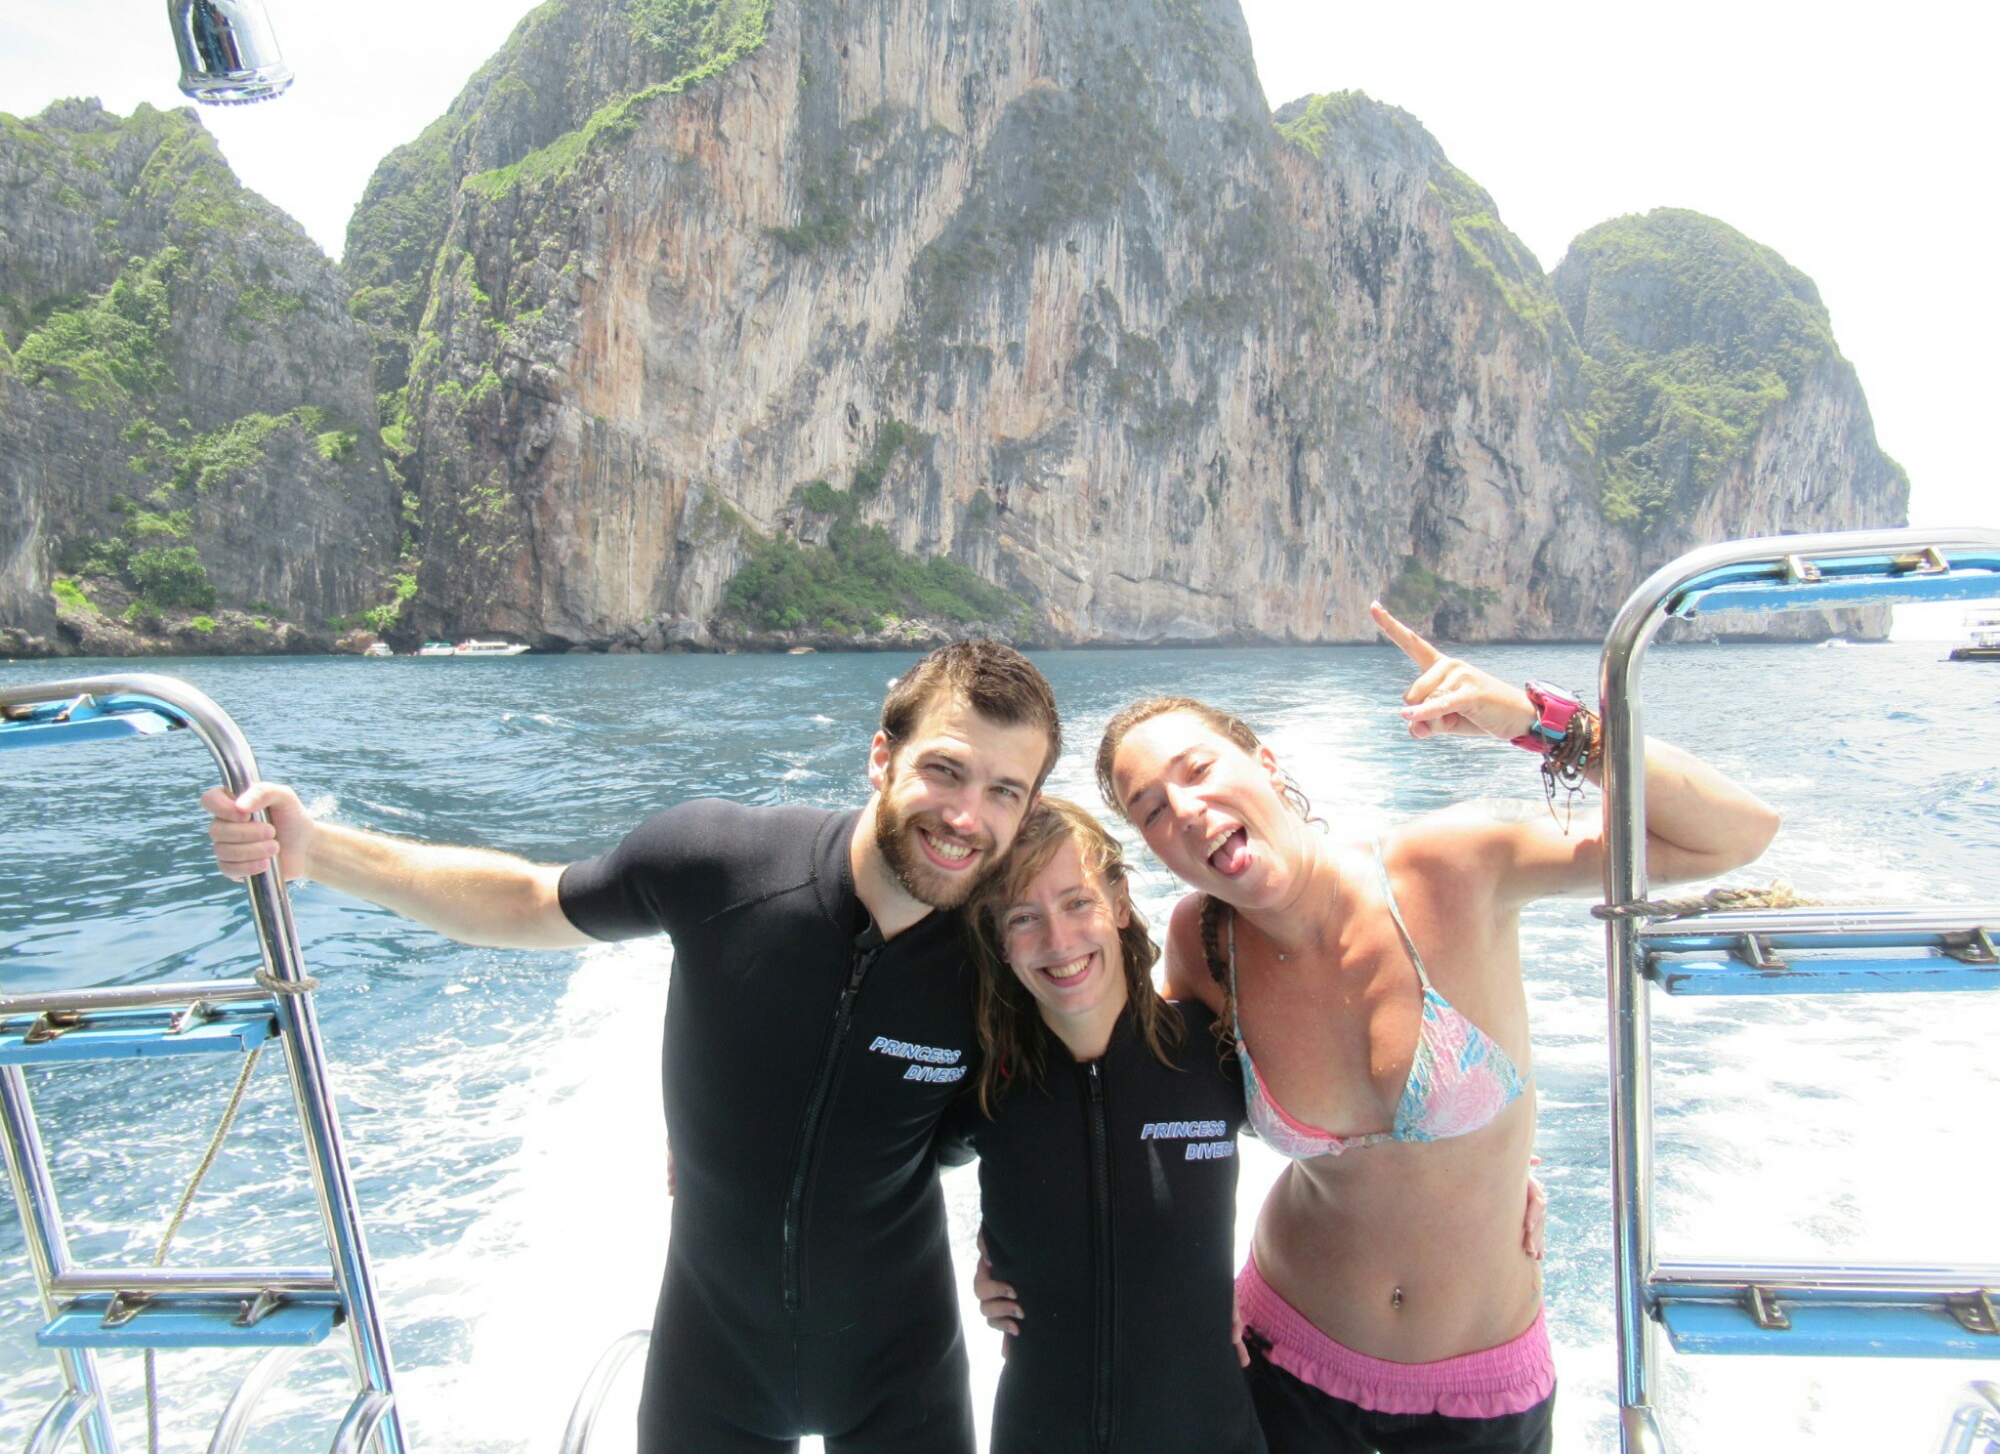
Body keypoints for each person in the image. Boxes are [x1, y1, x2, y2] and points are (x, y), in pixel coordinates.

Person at [203, 641, 1062, 1454]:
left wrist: (1017, 1242)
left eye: (1004, 791)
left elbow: (1034, 1117)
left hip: (901, 1374)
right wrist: (315, 850)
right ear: (882, 758)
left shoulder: (1005, 961)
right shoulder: (725, 865)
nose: (965, 816)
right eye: (944, 770)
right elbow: (527, 900)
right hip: (713, 1369)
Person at [1083, 605, 1781, 1454]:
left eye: (1199, 770)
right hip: (1279, 1357)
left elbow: (1734, 834)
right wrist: (1037, 1253)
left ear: (1265, 762)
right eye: (1152, 810)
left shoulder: (1449, 866)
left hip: (1481, 1395)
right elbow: (1134, 1110)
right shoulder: (1203, 942)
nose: (1186, 810)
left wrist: (1533, 719)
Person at [946, 796, 1266, 1454]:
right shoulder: (983, 1081)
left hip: (1210, 1432)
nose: (1059, 942)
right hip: (1038, 1436)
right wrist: (992, 1252)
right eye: (1023, 917)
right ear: (997, 939)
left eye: (1078, 903)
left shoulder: (1213, 1052)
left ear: (1119, 903)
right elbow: (881, 1170)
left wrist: (1262, 1286)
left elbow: (1334, 1154)